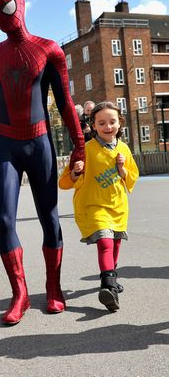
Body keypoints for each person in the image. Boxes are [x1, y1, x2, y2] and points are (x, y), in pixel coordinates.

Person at [0, 0, 85, 325]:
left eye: (7, 7)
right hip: (6, 146)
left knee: (50, 217)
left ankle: (53, 287)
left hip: (40, 142)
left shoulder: (48, 49)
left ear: (21, 6)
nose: (3, 16)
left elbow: (64, 101)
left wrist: (79, 144)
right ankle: (19, 294)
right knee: (4, 220)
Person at [59, 101, 139, 311]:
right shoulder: (85, 149)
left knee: (115, 244)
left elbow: (132, 177)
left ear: (120, 123)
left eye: (112, 122)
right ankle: (109, 286)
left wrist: (122, 169)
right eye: (101, 122)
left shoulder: (123, 149)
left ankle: (111, 280)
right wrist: (76, 170)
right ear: (93, 125)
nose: (107, 126)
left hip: (118, 206)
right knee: (105, 243)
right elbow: (64, 182)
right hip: (94, 205)